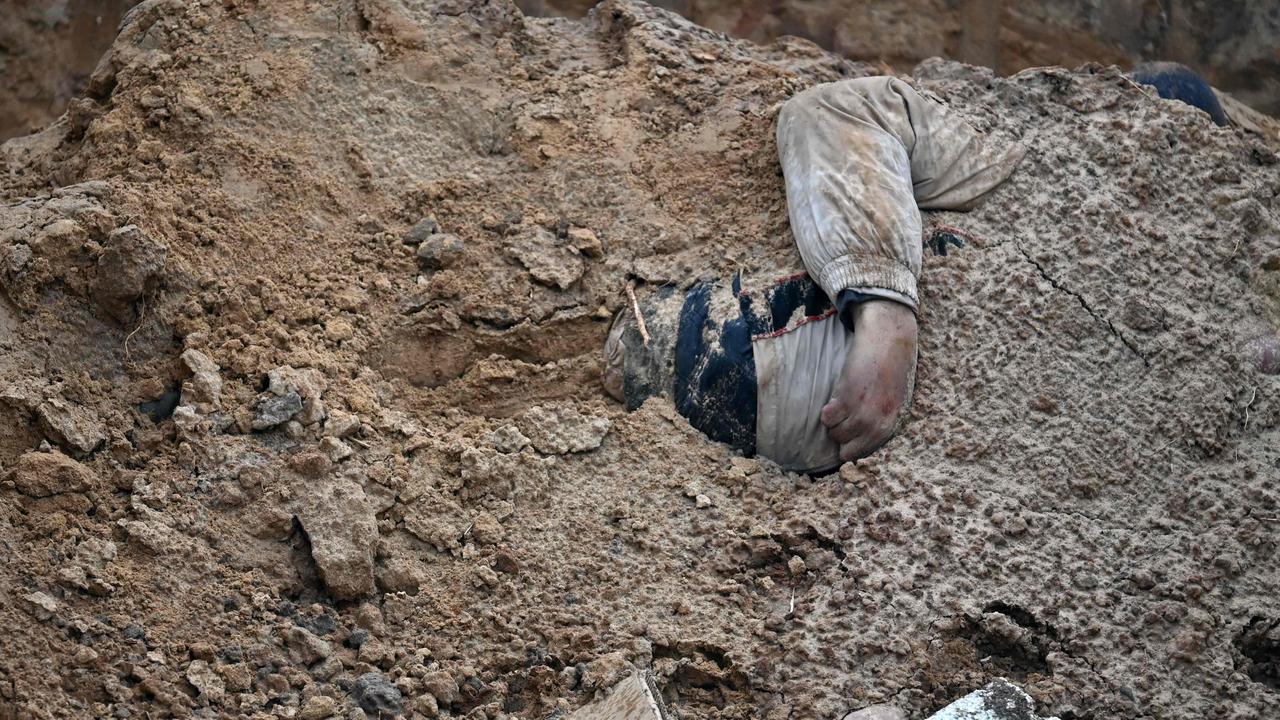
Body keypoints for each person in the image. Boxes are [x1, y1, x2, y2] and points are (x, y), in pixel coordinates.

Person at [604, 76, 1025, 474]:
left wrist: (886, 315)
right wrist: (885, 312)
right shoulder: (1035, 166)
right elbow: (838, 116)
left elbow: (837, 111)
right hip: (788, 374)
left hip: (806, 390)